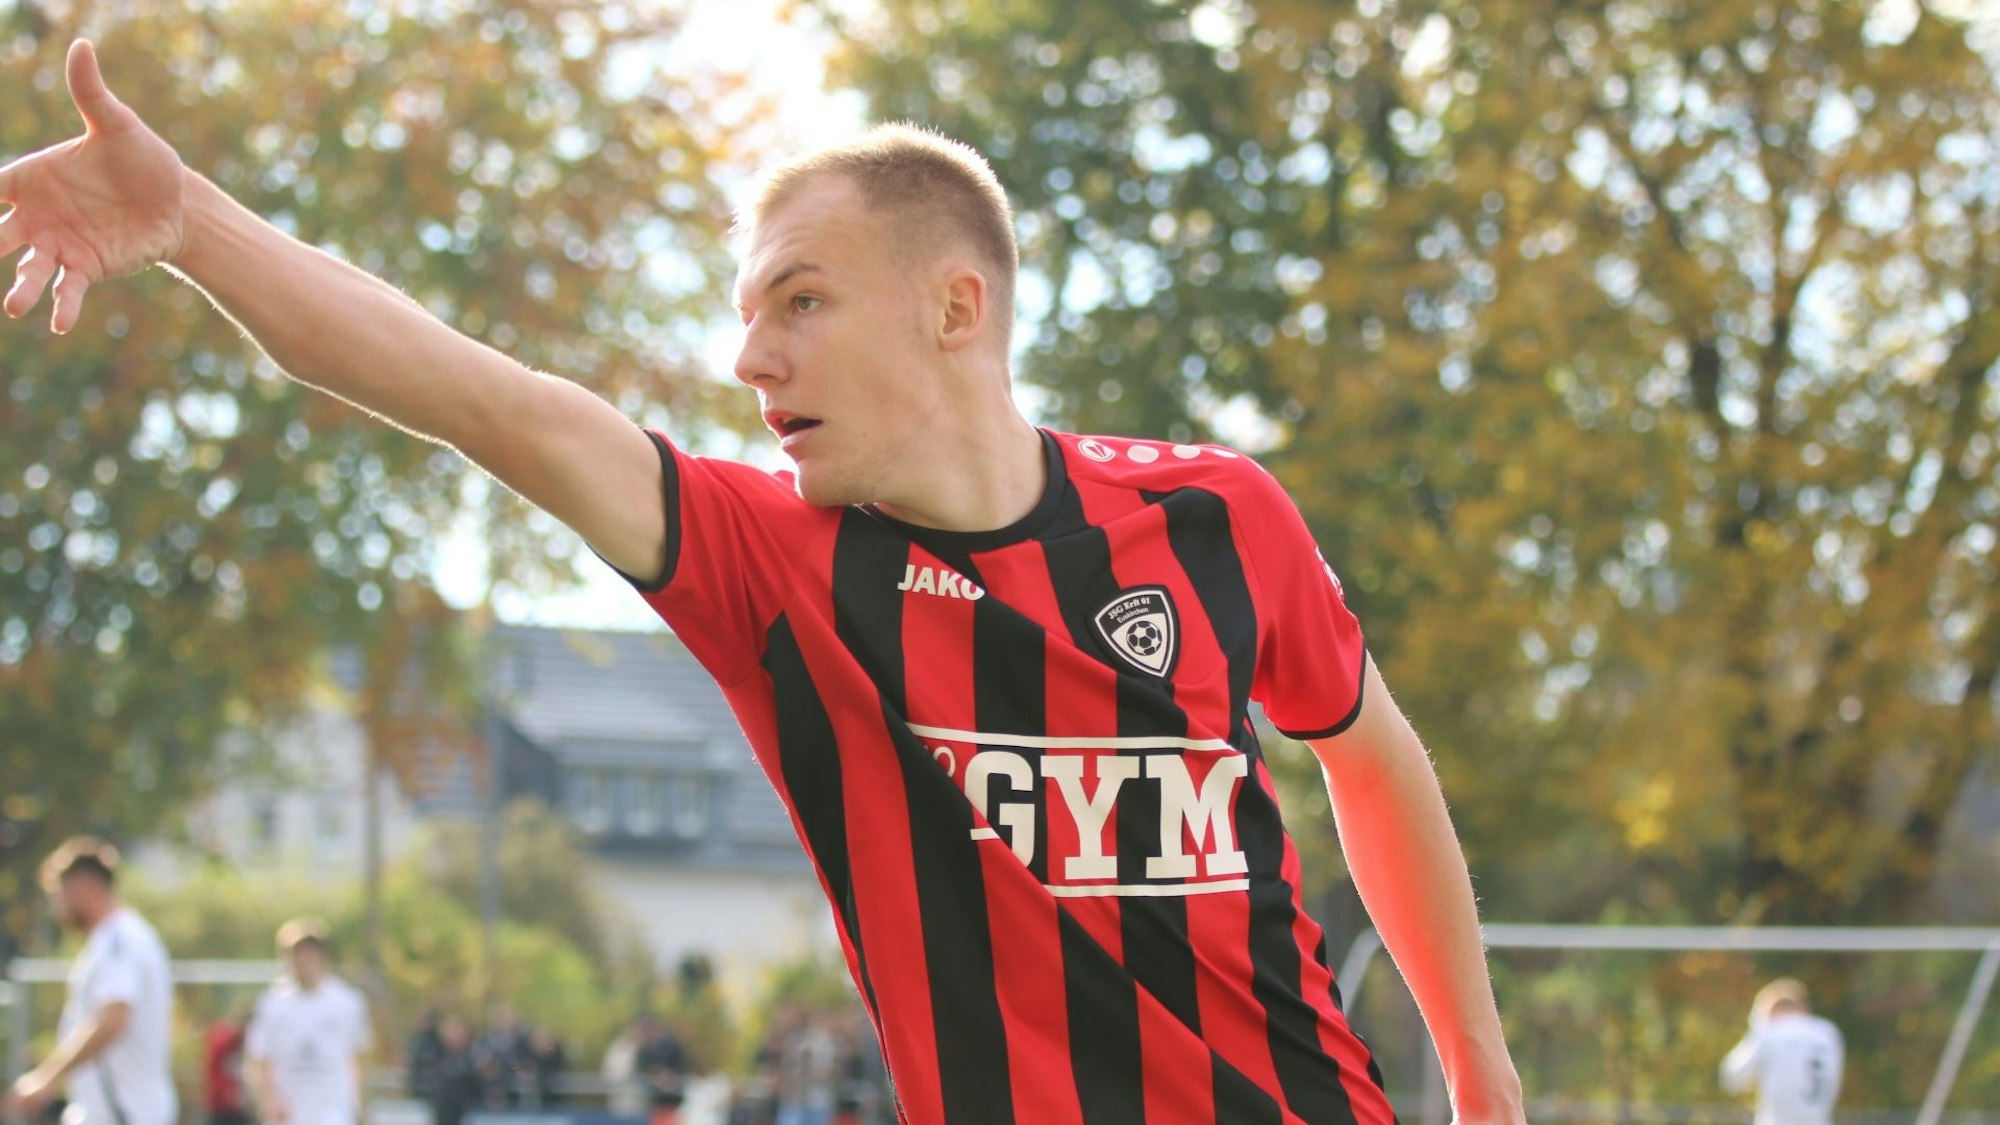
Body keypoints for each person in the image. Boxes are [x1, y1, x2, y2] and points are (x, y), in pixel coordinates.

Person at [0, 39, 1526, 1123]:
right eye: (744, 316)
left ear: (955, 305)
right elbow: (491, 400)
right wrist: (190, 224)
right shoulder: (776, 565)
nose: (751, 358)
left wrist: (1481, 1074)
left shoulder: (1214, 517)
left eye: (800, 299)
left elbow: (1371, 755)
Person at [1, 837, 177, 1125]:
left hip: (126, 1114)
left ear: (83, 888)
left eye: (58, 895)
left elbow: (112, 1019)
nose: (56, 907)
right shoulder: (109, 941)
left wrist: (47, 1078)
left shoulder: (120, 940)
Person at [244, 919, 373, 1125]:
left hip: (332, 1114)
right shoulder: (272, 1003)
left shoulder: (347, 1002)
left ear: (323, 955)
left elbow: (357, 1058)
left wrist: (356, 1105)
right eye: (297, 952)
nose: (304, 959)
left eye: (310, 951)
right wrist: (267, 1102)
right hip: (286, 1114)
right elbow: (259, 1059)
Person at [1721, 978, 1844, 1125]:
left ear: (1770, 1010)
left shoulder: (1770, 1033)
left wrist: (1756, 1027)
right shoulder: (1828, 1033)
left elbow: (1731, 1077)